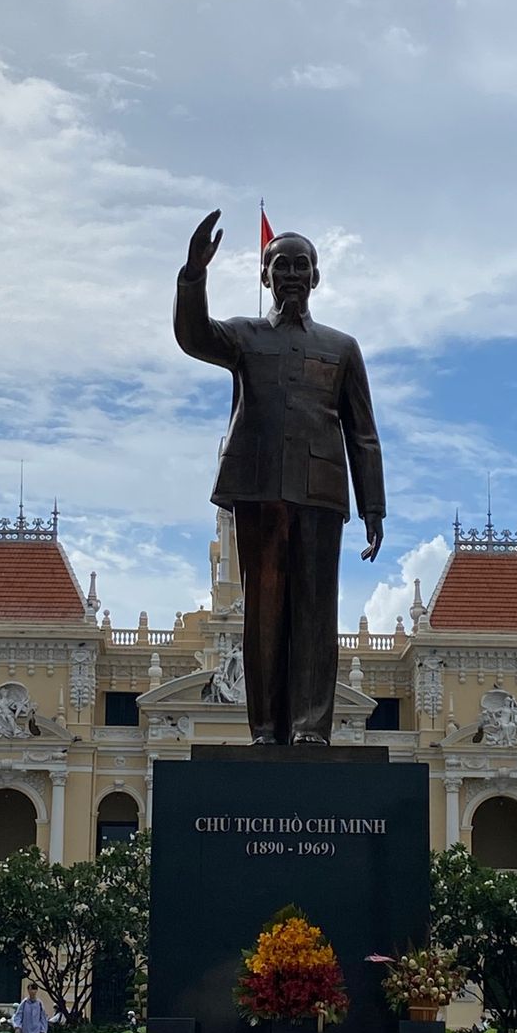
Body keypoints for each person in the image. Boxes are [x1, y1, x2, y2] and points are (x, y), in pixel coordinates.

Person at [174, 211, 386, 745]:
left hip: (321, 491)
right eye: (281, 265)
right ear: (265, 276)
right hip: (258, 485)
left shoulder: (342, 347)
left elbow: (363, 433)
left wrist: (373, 507)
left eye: (301, 265)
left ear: (316, 276)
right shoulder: (243, 337)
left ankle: (312, 727)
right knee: (263, 611)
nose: (291, 274)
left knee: (316, 611)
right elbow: (193, 336)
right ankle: (266, 728)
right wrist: (194, 274)